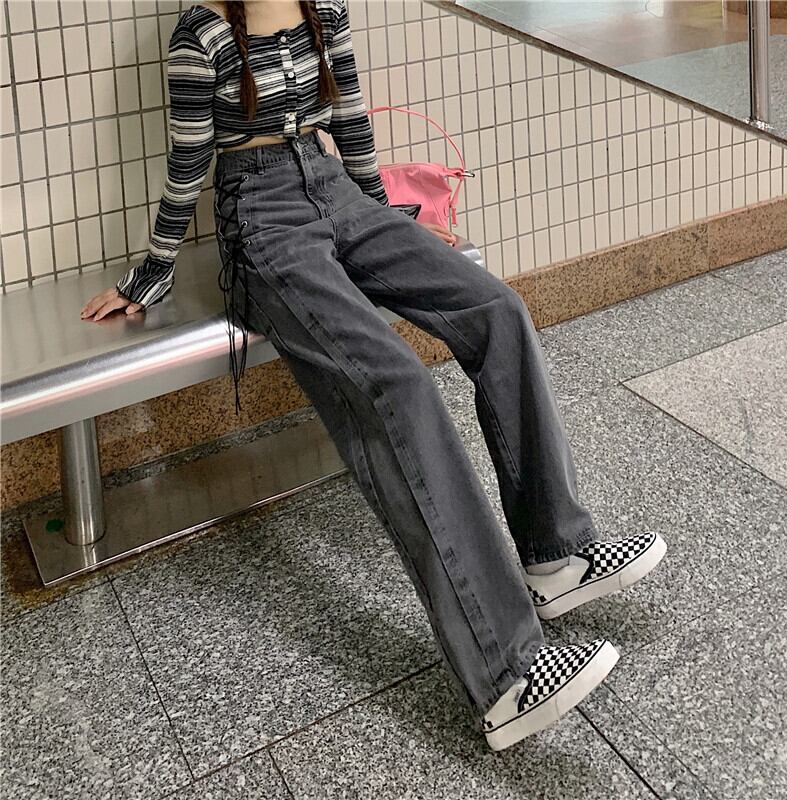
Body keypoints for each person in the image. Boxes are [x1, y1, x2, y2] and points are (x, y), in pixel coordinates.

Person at [79, 1, 666, 752]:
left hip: (338, 193)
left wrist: (389, 228)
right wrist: (153, 271)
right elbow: (187, 160)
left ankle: (555, 552)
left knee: (497, 309)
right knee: (398, 382)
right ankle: (505, 671)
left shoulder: (323, 9)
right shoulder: (203, 34)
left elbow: (351, 122)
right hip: (260, 220)